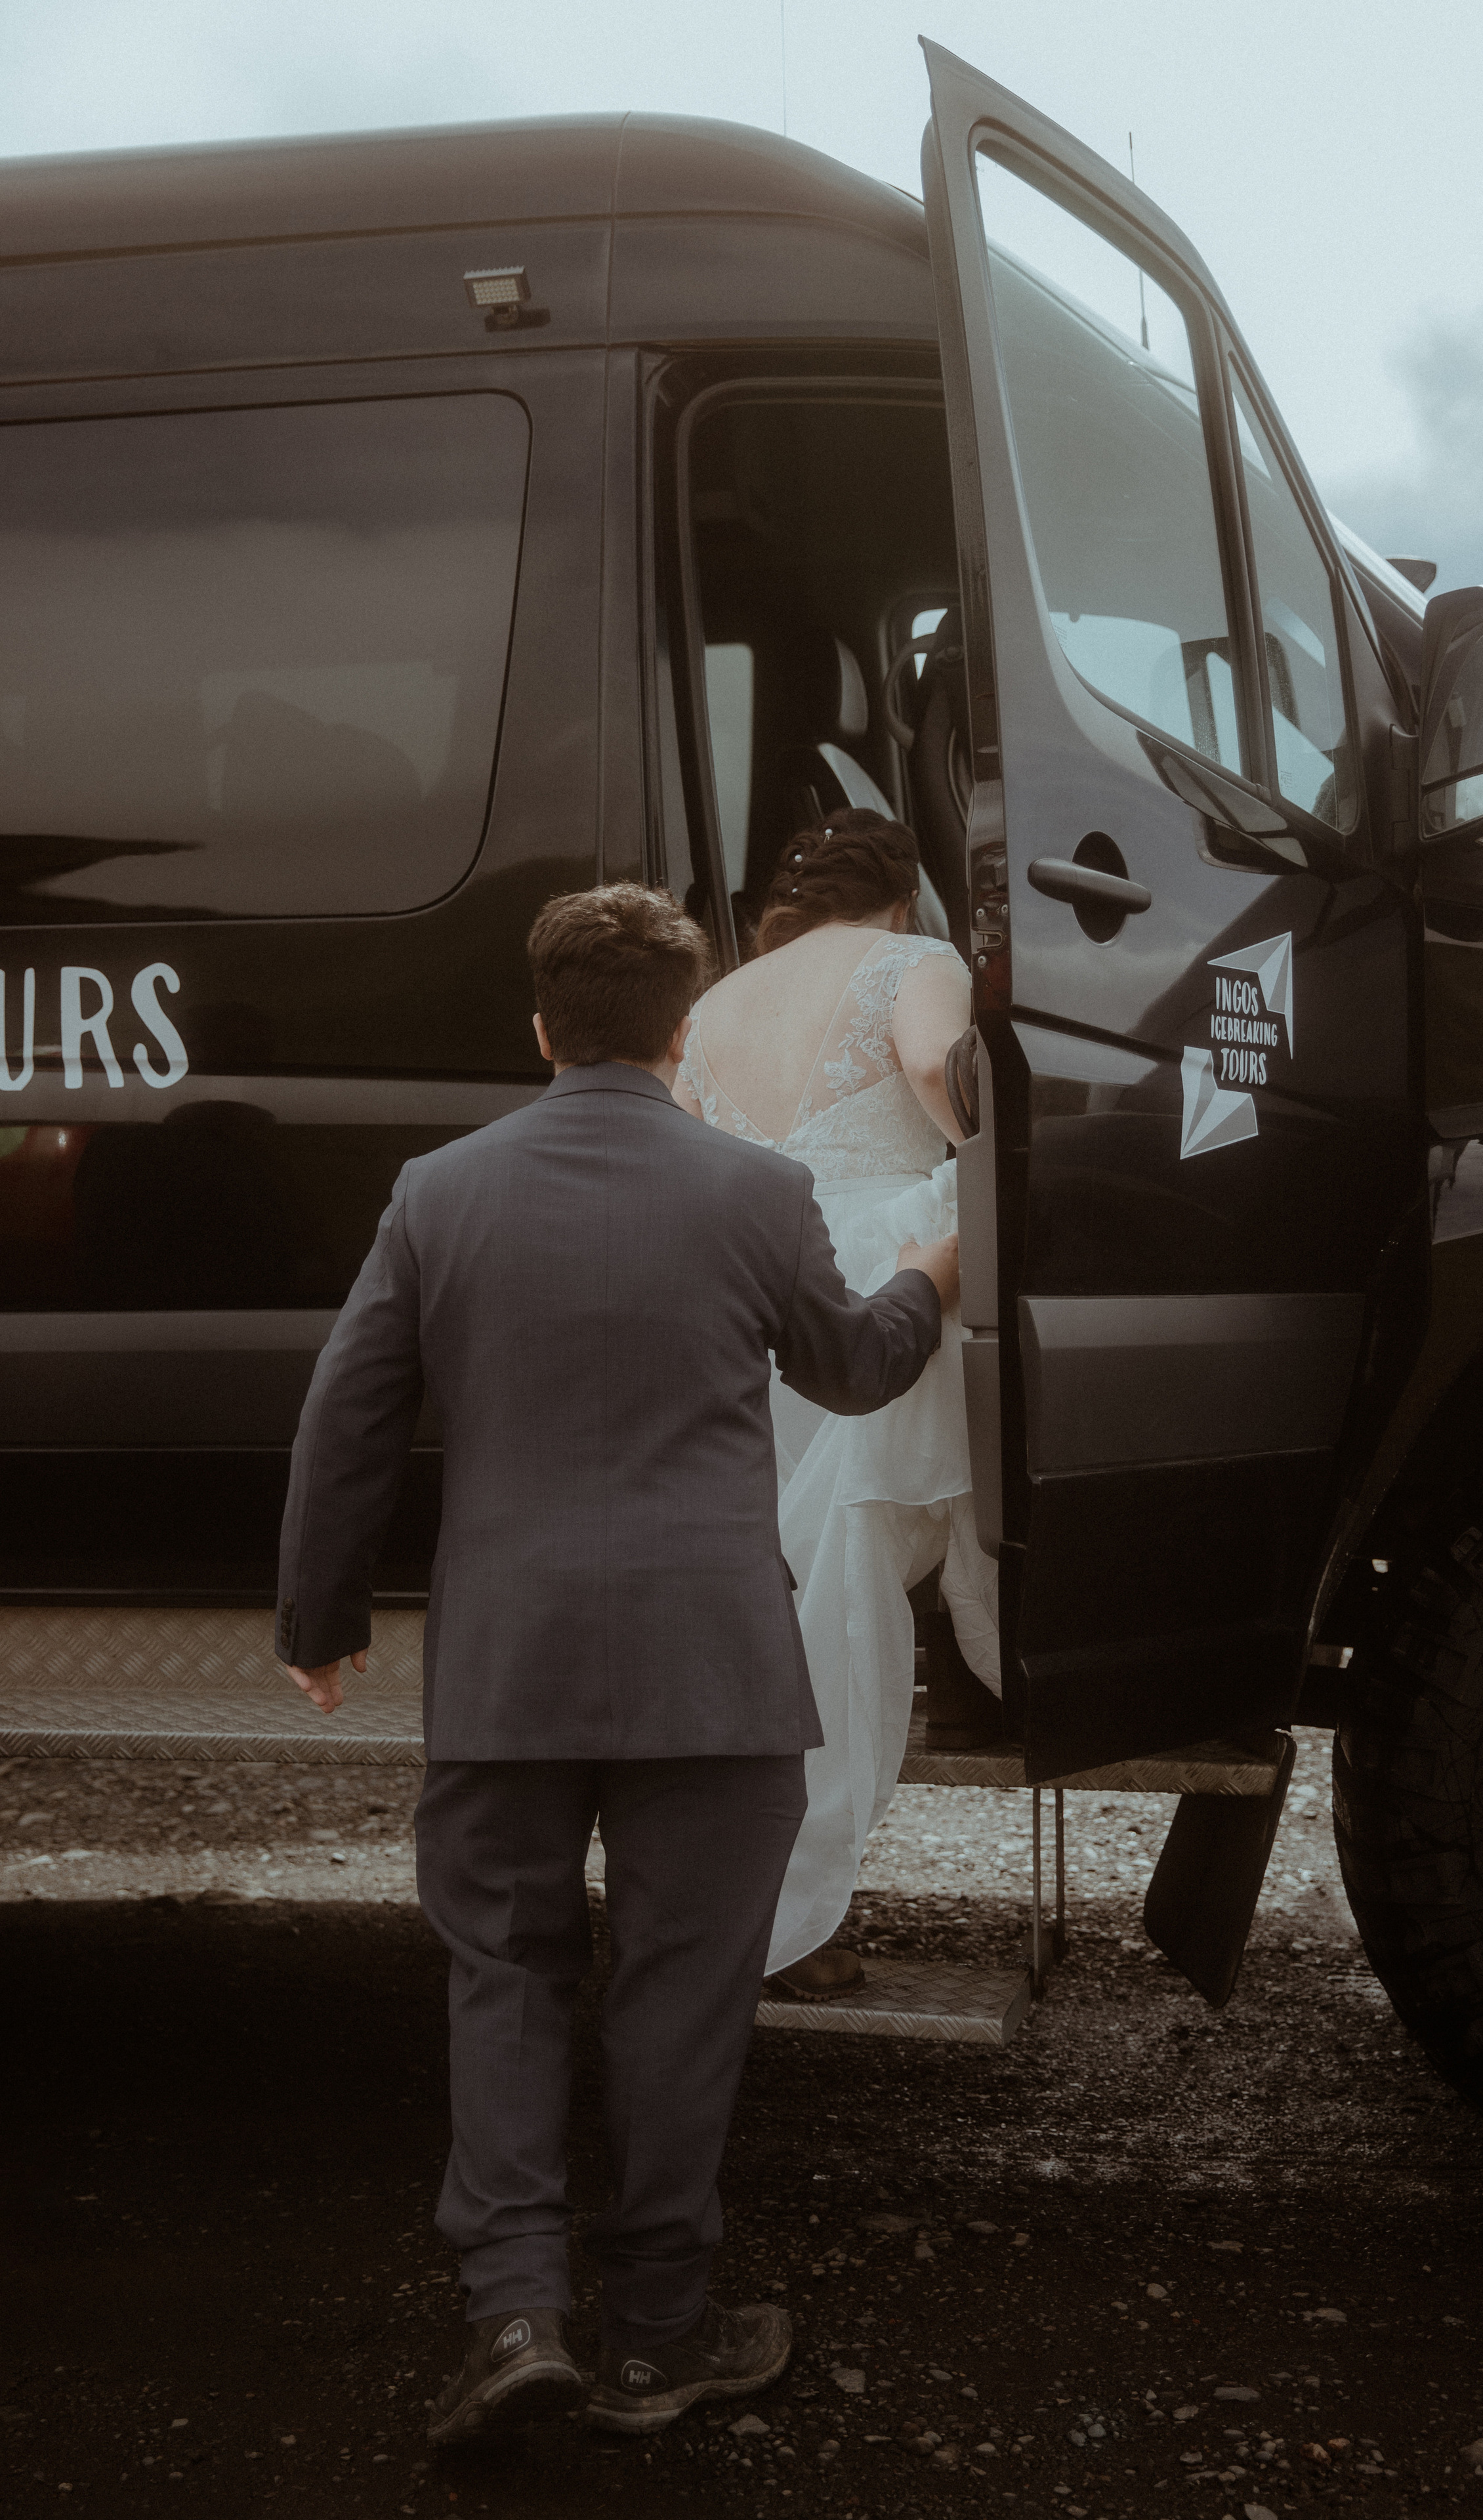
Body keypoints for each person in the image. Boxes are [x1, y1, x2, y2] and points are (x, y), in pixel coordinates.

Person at [274, 883, 959, 2445]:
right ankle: (659, 2335)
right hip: (709, 1673)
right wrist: (928, 1280)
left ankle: (517, 2316)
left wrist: (323, 1618)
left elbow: (346, 1418)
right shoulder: (756, 1191)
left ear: (539, 1028)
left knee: (504, 1976)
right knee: (678, 1993)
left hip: (508, 1670)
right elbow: (850, 1369)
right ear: (679, 1032)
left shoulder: (439, 1192)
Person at [674, 808, 1002, 2001]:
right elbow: (928, 1064)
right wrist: (999, 1173)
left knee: (787, 1580)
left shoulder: (720, 999)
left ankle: (734, 1888)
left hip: (753, 1293)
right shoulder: (919, 961)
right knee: (850, 1572)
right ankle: (787, 1915)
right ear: (903, 900)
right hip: (879, 1269)